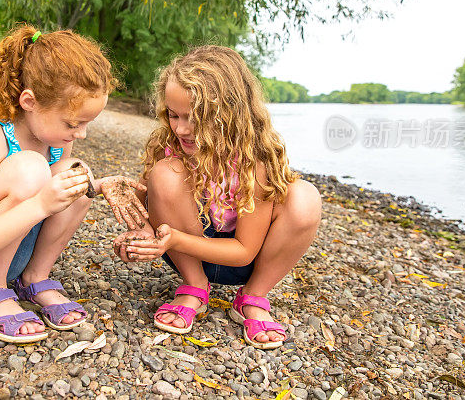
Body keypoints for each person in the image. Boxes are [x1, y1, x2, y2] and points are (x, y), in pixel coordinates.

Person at [0, 24, 147, 344]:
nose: (82, 134)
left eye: (88, 124)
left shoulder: (54, 139)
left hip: (8, 248)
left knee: (77, 173)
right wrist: (40, 204)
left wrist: (96, 185)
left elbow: (56, 191)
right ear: (29, 101)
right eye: (73, 123)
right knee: (31, 169)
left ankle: (34, 278)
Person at [113, 45, 321, 349]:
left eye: (194, 117)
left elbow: (244, 251)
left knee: (305, 198)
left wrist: (171, 240)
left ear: (230, 113)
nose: (181, 128)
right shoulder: (171, 146)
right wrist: (142, 236)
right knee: (164, 173)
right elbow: (151, 207)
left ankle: (253, 296)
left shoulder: (255, 160)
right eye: (173, 115)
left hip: (246, 259)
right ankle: (195, 286)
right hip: (190, 257)